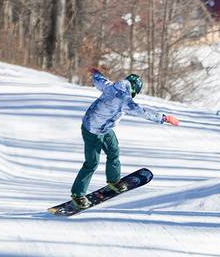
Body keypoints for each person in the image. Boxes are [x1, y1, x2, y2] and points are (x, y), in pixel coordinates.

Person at [70, 68, 178, 209]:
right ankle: (78, 195)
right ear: (134, 89)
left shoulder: (110, 86)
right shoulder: (125, 100)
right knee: (92, 163)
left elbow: (99, 80)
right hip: (91, 130)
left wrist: (95, 72)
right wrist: (165, 118)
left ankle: (114, 181)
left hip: (104, 129)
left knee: (114, 151)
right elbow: (143, 113)